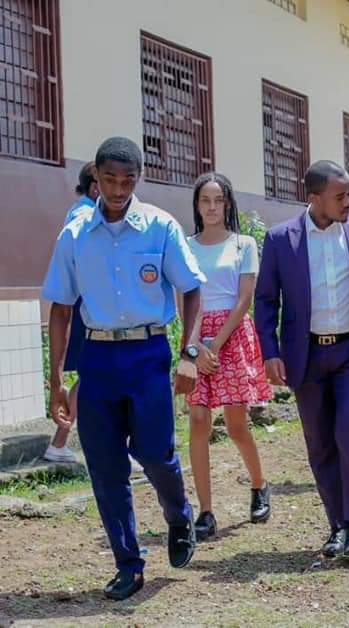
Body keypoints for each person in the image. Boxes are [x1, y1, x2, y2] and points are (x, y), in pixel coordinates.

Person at [42, 137, 204, 600]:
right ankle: (128, 564)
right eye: (110, 179)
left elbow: (192, 288)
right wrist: (57, 379)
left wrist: (189, 354)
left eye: (127, 180)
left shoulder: (159, 227)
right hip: (97, 359)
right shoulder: (75, 235)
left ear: (139, 178)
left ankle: (179, 516)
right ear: (95, 175)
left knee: (155, 453)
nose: (117, 189)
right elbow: (61, 308)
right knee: (105, 465)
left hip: (147, 354)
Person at [255, 160, 349, 560]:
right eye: (341, 196)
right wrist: (270, 352)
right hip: (306, 356)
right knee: (319, 442)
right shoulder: (281, 239)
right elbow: (265, 301)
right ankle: (336, 525)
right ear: (314, 198)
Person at [182, 173, 273, 540]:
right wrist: (194, 348)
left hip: (231, 338)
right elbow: (186, 299)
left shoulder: (243, 244)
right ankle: (205, 511)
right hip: (196, 336)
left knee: (236, 424)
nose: (212, 207)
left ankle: (259, 484)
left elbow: (244, 299)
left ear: (228, 204)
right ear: (197, 204)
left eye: (218, 200)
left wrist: (215, 346)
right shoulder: (186, 246)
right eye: (205, 200)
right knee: (198, 422)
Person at [44, 162, 99, 463]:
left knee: (94, 372)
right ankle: (59, 441)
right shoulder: (86, 217)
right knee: (94, 371)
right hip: (87, 305)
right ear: (95, 186)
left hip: (83, 304)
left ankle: (60, 441)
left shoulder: (78, 210)